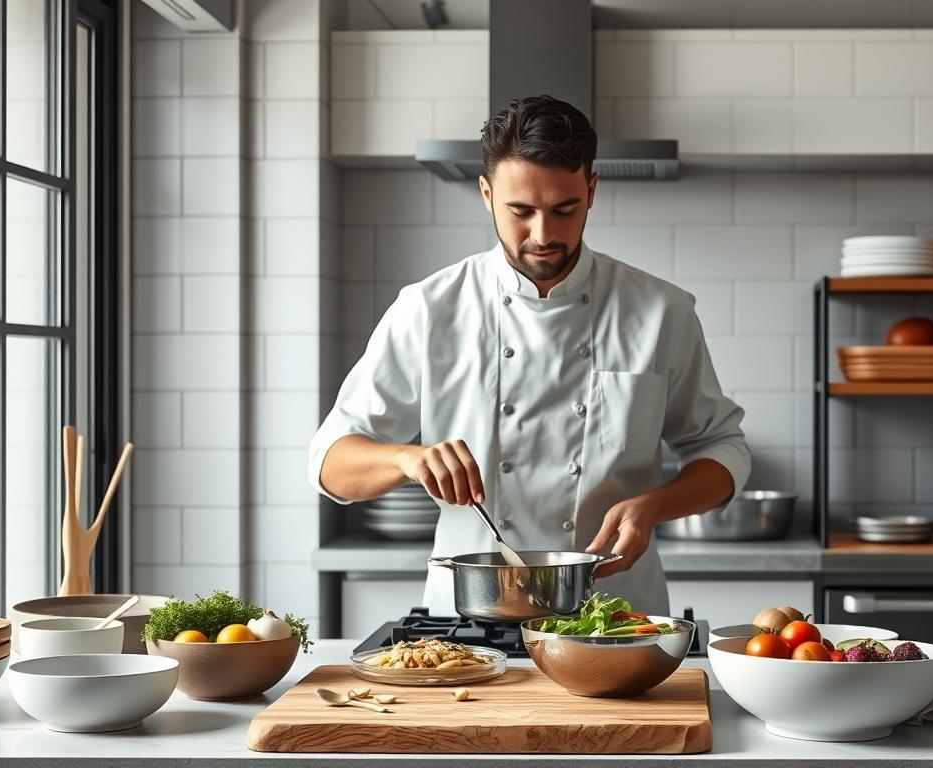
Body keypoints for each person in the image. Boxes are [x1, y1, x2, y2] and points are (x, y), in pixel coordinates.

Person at [308, 95, 750, 616]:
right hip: (468, 621)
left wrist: (654, 505)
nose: (543, 236)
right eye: (520, 211)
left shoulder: (660, 311)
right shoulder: (429, 309)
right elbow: (330, 462)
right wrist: (408, 458)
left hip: (614, 618)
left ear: (591, 191)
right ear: (486, 194)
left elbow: (724, 450)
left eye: (564, 210)